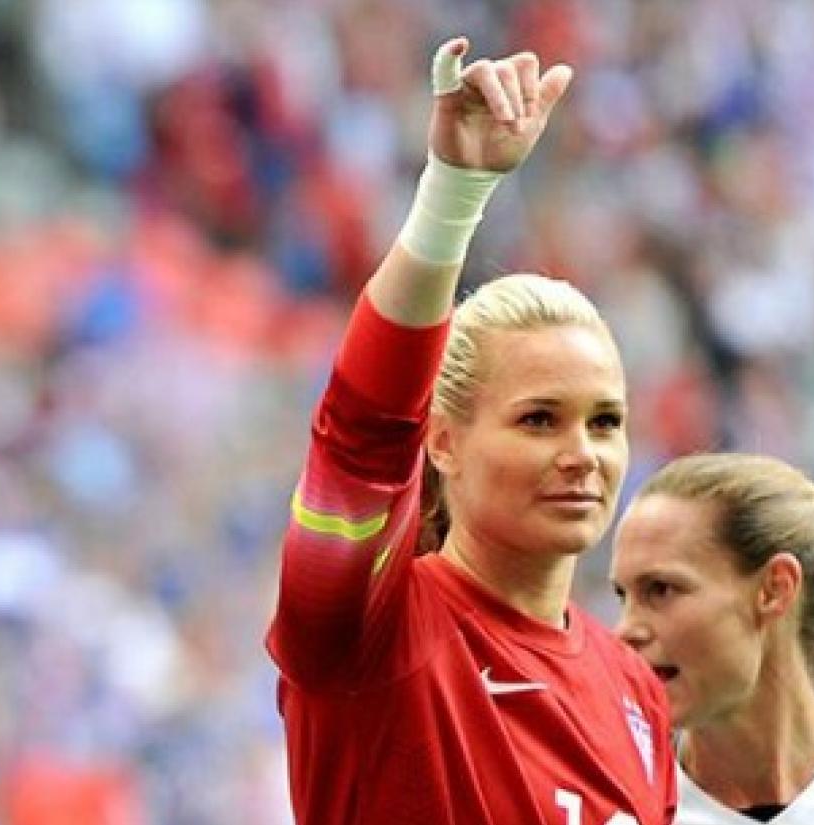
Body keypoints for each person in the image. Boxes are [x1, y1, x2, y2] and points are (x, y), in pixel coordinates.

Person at [265, 37, 675, 824]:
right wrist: (452, 195)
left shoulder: (635, 693)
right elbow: (359, 434)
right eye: (539, 419)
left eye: (605, 421)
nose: (581, 453)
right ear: (442, 440)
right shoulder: (363, 631)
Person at [612, 453, 814, 824]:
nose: (625, 630)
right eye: (624, 596)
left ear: (775, 589)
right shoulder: (609, 805)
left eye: (661, 590)